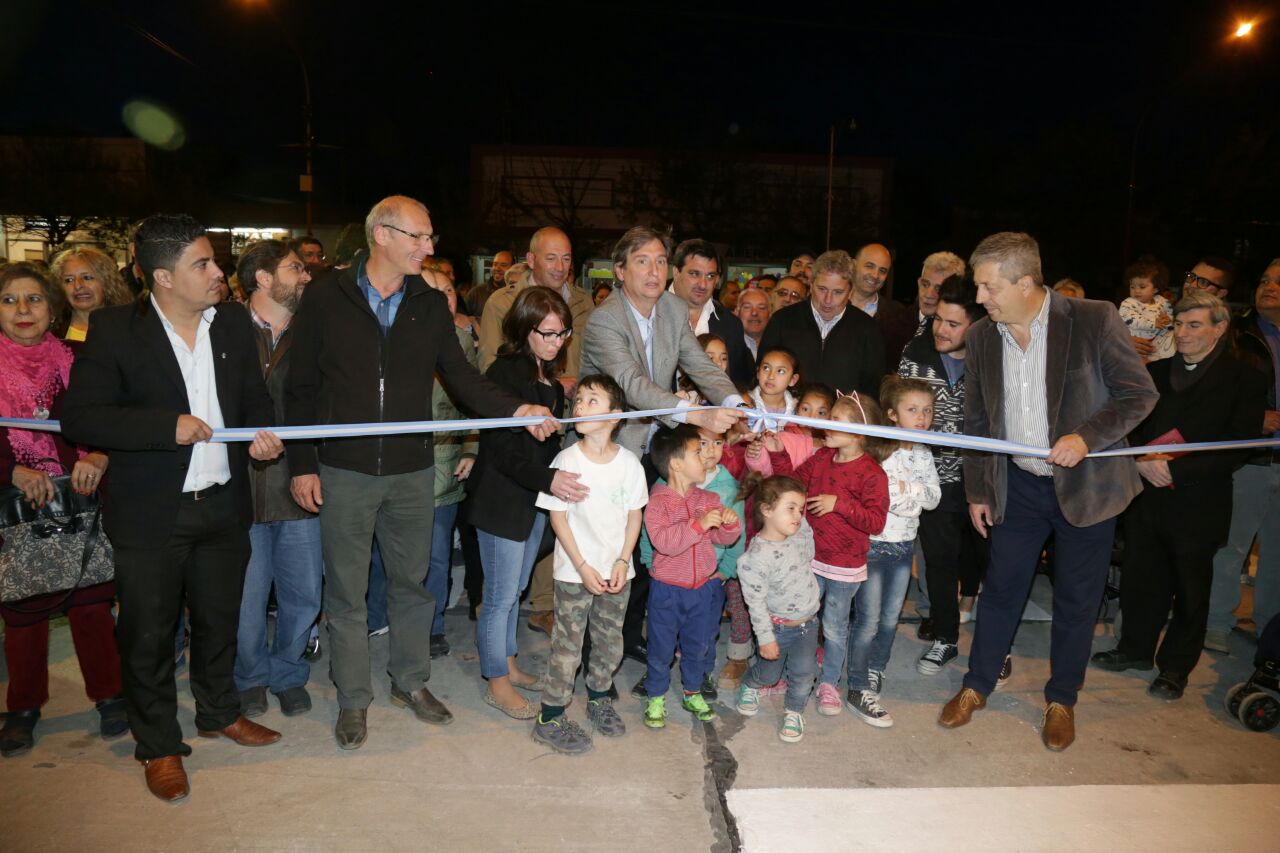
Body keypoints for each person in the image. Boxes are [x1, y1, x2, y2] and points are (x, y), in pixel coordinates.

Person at [284, 196, 556, 751]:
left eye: (430, 237)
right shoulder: (326, 296)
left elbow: (462, 377)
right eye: (419, 236)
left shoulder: (428, 304)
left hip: (411, 471)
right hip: (344, 470)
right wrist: (302, 464)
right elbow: (300, 387)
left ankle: (409, 681)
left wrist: (514, 409)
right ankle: (353, 698)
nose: (429, 247)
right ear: (382, 235)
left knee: (413, 585)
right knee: (347, 593)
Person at [61, 214, 287, 802]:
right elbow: (82, 417)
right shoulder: (114, 330)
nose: (217, 273)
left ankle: (219, 712)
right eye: (202, 264)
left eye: (214, 261)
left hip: (224, 504)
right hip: (151, 514)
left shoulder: (232, 321)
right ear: (162, 276)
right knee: (149, 635)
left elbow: (254, 398)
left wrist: (262, 436)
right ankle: (158, 744)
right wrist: (167, 427)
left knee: (219, 621)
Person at [938, 232, 1157, 752]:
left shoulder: (1093, 319)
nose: (981, 298)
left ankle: (1062, 700)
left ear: (1025, 282)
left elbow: (1138, 394)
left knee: (1077, 600)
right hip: (1018, 485)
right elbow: (977, 421)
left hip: (1087, 489)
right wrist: (978, 490)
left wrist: (1087, 437)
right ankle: (977, 684)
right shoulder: (984, 337)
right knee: (1000, 589)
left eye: (989, 288)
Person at [579, 226, 745, 663]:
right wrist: (695, 414)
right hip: (611, 450)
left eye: (659, 262)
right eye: (641, 262)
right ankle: (594, 647)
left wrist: (734, 401)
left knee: (647, 548)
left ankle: (630, 634)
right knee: (612, 548)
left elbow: (698, 363)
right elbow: (632, 384)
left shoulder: (672, 307)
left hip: (655, 445)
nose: (654, 271)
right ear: (620, 271)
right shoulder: (604, 321)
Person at [1091, 291, 1265, 699]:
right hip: (1148, 495)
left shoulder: (1245, 377)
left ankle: (1175, 668)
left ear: (1220, 329)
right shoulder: (1154, 372)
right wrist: (1140, 459)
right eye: (1179, 325)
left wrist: (1175, 469)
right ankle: (1134, 650)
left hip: (1199, 500)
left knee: (1190, 590)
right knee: (1141, 578)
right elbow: (1131, 425)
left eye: (1194, 325)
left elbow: (1238, 446)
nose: (1182, 333)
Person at [0, 263, 124, 758]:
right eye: (9, 300)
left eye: (34, 299)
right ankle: (23, 708)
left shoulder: (80, 359)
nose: (22, 310)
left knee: (91, 604)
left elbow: (111, 419)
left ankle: (111, 696)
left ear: (53, 310)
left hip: (79, 501)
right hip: (11, 506)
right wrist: (12, 472)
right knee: (22, 611)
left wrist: (99, 455)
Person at [465, 287, 580, 719]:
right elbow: (501, 452)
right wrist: (549, 479)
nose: (556, 342)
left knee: (515, 591)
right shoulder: (504, 373)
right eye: (547, 333)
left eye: (562, 334)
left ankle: (508, 663)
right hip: (502, 501)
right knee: (498, 597)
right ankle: (496, 682)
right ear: (525, 328)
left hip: (531, 500)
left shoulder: (547, 378)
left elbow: (543, 449)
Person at [531, 375, 647, 754]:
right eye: (578, 399)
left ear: (615, 416)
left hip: (617, 572)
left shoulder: (629, 464)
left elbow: (634, 515)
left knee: (610, 642)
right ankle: (549, 716)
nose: (579, 406)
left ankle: (598, 698)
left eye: (591, 400)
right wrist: (581, 566)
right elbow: (558, 518)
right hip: (573, 573)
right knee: (567, 646)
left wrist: (623, 560)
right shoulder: (567, 459)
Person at [231, 240, 321, 719]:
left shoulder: (316, 331)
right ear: (263, 279)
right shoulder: (222, 328)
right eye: (294, 268)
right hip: (239, 485)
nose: (306, 277)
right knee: (245, 595)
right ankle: (249, 676)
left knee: (303, 591)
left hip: (299, 482)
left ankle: (288, 673)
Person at [775, 393, 889, 717]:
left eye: (835, 420)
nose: (826, 424)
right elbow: (793, 482)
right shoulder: (823, 457)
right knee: (800, 620)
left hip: (844, 567)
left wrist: (839, 504)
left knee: (835, 627)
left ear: (858, 433)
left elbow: (876, 522)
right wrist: (777, 453)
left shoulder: (872, 473)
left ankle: (829, 684)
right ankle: (793, 674)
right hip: (810, 558)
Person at [900, 276, 991, 669]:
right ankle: (945, 637)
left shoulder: (993, 358)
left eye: (953, 324)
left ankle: (996, 647)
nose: (940, 329)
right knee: (939, 560)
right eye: (938, 319)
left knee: (988, 559)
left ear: (976, 326)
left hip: (982, 478)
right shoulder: (916, 352)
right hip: (932, 476)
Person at [845, 377, 940, 728]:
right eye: (912, 410)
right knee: (868, 619)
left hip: (903, 548)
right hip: (872, 545)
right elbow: (882, 499)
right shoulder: (880, 451)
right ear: (892, 415)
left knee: (889, 619)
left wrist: (905, 490)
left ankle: (875, 668)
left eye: (927, 410)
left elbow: (932, 499)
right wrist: (910, 495)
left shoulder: (924, 453)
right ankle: (857, 683)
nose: (921, 417)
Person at [641, 425, 741, 729]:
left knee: (698, 645)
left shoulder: (708, 498)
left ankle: (692, 692)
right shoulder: (658, 502)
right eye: (698, 451)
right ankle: (655, 695)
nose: (706, 455)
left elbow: (722, 539)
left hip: (702, 589)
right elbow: (665, 543)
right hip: (667, 590)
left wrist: (729, 525)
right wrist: (698, 525)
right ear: (676, 464)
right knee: (661, 647)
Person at [1206, 259, 1280, 652]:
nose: (1269, 286)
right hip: (1249, 459)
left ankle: (1270, 629)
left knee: (1277, 554)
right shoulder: (1238, 332)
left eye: (1279, 282)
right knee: (1231, 546)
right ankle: (1216, 622)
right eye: (1265, 280)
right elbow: (1216, 390)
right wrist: (1254, 418)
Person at [733, 476, 820, 743]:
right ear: (767, 510)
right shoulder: (755, 558)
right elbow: (755, 604)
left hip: (808, 623)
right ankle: (751, 683)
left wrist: (802, 522)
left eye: (801, 509)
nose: (798, 516)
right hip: (778, 629)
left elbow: (809, 546)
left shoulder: (798, 536)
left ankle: (794, 711)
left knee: (804, 673)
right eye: (790, 508)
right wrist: (766, 638)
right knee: (769, 674)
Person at [757, 249, 885, 397]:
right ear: (811, 285)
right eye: (822, 289)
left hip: (844, 411)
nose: (828, 300)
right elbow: (761, 374)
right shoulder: (782, 321)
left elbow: (873, 389)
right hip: (789, 410)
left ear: (850, 292)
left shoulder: (867, 329)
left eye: (837, 292)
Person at [480, 228, 594, 386]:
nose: (560, 267)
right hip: (526, 399)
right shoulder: (502, 303)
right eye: (551, 258)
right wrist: (553, 385)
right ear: (531, 260)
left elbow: (595, 359)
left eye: (566, 259)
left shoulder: (583, 302)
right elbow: (491, 369)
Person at [669, 239, 755, 388]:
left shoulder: (731, 325)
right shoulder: (649, 311)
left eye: (710, 276)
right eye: (695, 274)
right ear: (676, 272)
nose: (702, 284)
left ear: (717, 280)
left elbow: (740, 383)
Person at [885, 251, 966, 360]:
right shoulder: (890, 325)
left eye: (938, 288)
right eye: (925, 284)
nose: (928, 294)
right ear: (918, 283)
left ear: (955, 292)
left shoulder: (969, 336)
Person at [50, 247, 134, 342]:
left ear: (107, 282)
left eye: (87, 277)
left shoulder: (131, 328)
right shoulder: (50, 332)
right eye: (69, 280)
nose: (78, 286)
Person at [1120, 257, 1175, 363]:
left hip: (1155, 346)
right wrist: (1153, 323)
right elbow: (1131, 320)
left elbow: (1171, 319)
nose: (1136, 291)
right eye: (1132, 287)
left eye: (1142, 287)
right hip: (1134, 346)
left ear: (1155, 289)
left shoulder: (1162, 302)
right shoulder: (1128, 303)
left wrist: (1167, 321)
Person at [749, 346, 801, 415]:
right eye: (766, 368)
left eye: (780, 371)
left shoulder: (798, 409)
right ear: (758, 372)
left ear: (793, 380)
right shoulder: (743, 402)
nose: (771, 376)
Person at [469, 250, 514, 316]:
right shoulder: (476, 293)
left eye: (503, 265)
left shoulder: (518, 293)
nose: (497, 268)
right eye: (495, 264)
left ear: (512, 268)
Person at [736, 286, 771, 361]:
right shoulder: (727, 345)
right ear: (737, 312)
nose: (754, 313)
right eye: (747, 307)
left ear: (770, 314)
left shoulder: (779, 345)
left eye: (761, 308)